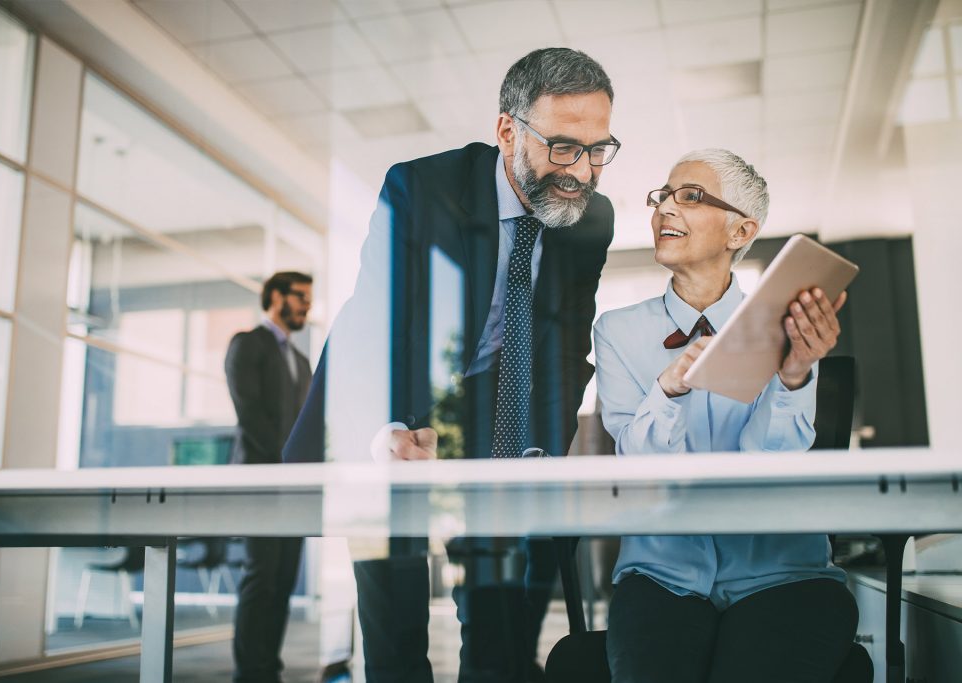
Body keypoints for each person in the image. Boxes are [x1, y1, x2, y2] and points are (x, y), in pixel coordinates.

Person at [284, 48, 617, 682]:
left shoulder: (590, 218)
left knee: (503, 636)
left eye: (599, 148)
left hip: (498, 414)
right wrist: (384, 431)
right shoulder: (421, 188)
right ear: (507, 130)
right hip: (398, 404)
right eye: (563, 146)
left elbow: (567, 349)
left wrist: (536, 457)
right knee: (396, 631)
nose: (582, 171)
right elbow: (373, 322)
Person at [593, 149, 860, 683]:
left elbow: (769, 461)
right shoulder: (617, 330)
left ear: (741, 231)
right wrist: (667, 391)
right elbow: (639, 468)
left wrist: (794, 374)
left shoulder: (785, 321)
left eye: (689, 196)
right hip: (661, 575)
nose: (665, 208)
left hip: (783, 574)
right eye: (662, 196)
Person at [225, 271, 346, 683]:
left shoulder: (299, 358)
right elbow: (251, 417)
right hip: (259, 483)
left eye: (310, 299)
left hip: (294, 490)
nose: (307, 306)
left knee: (281, 582)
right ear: (275, 297)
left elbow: (308, 425)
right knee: (260, 579)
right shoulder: (248, 344)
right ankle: (250, 672)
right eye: (300, 297)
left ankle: (267, 669)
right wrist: (287, 466)